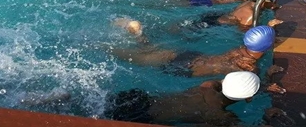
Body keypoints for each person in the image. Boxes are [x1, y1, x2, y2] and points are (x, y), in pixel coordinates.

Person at [103, 71, 285, 125]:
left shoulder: (206, 85)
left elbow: (226, 82)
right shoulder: (220, 117)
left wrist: (259, 85)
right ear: (248, 99)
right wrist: (267, 117)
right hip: (142, 120)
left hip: (138, 99)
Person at [112, 26, 279, 77]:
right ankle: (100, 47)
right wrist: (269, 74)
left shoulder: (240, 49)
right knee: (131, 58)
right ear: (269, 46)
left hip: (193, 56)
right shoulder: (250, 67)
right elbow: (253, 88)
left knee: (151, 52)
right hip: (187, 68)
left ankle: (141, 37)